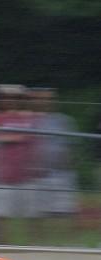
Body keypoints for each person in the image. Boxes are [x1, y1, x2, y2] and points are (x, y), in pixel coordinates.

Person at [0, 84, 38, 243]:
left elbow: (33, 139)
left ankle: (32, 250)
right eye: (3, 97)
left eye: (13, 97)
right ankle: (0, 251)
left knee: (31, 219)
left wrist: (5, 138)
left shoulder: (28, 117)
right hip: (0, 178)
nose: (8, 100)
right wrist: (14, 138)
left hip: (26, 178)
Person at [29, 88, 78, 219]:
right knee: (40, 216)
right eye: (40, 99)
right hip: (39, 177)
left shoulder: (64, 121)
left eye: (48, 99)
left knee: (64, 216)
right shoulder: (28, 122)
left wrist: (68, 171)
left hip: (62, 176)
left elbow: (70, 149)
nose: (45, 102)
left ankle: (65, 240)